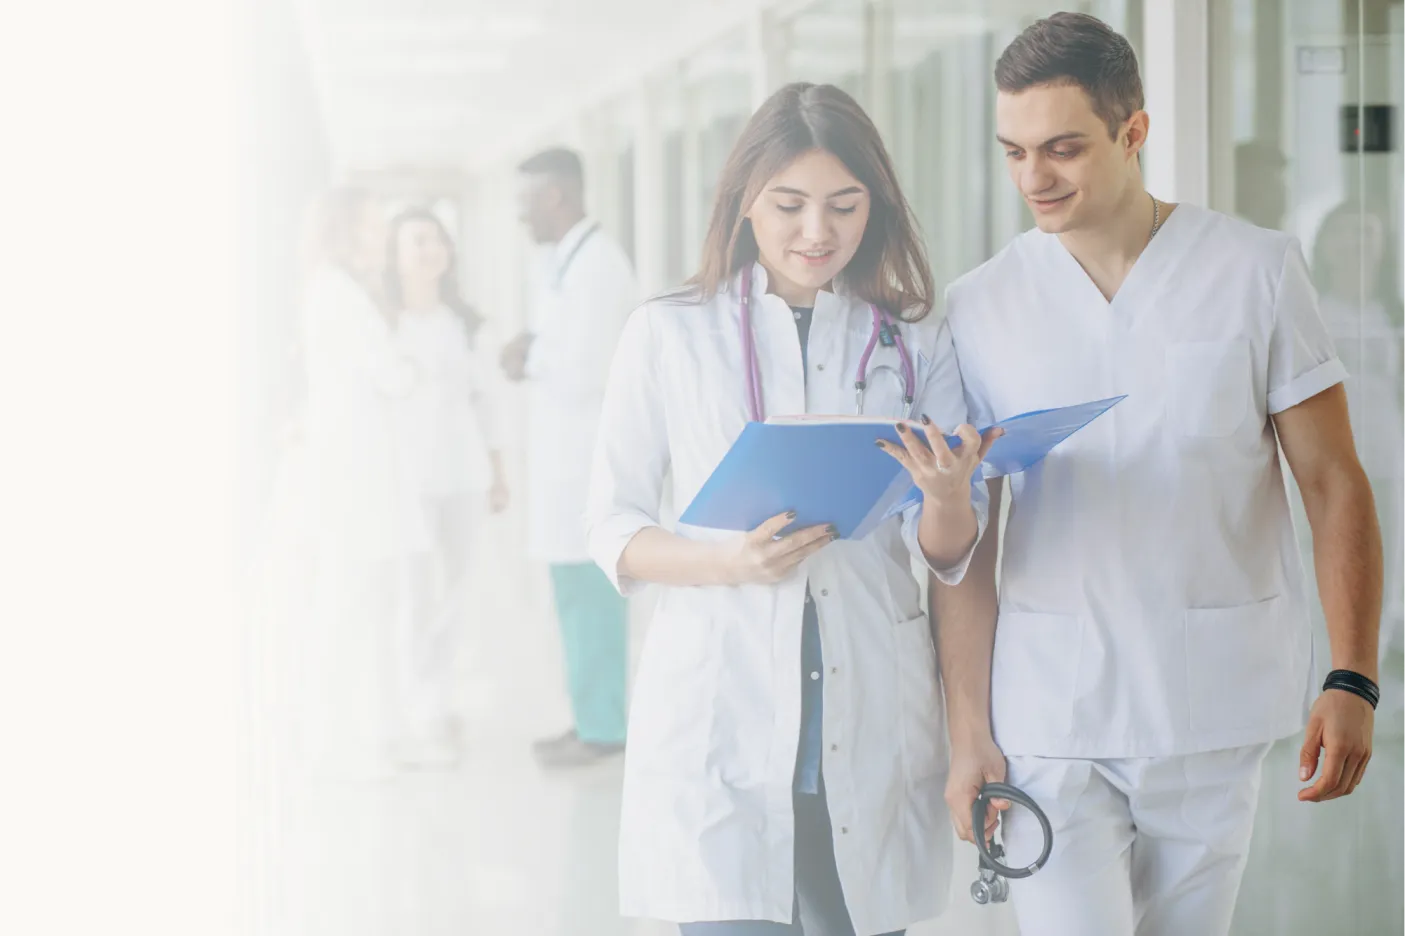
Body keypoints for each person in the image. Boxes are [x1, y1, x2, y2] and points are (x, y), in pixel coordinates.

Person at [933, 14, 1384, 936]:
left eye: (1062, 149)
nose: (1033, 179)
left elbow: (1333, 481)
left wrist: (1352, 675)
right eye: (1013, 151)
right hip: (1049, 706)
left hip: (1206, 697)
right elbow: (963, 546)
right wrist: (966, 729)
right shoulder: (978, 306)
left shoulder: (1254, 271)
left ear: (1133, 132)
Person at [584, 82, 997, 936]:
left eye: (844, 206)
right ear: (743, 201)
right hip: (722, 714)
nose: (818, 232)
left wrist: (948, 496)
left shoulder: (914, 341)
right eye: (790, 204)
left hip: (869, 704)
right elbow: (613, 528)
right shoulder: (666, 334)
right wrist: (729, 563)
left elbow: (950, 553)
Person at [501, 147, 640, 768]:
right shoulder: (565, 263)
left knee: (589, 594)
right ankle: (589, 715)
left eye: (525, 200)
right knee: (572, 594)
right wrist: (532, 348)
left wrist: (525, 357)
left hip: (587, 458)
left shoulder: (597, 267)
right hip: (563, 458)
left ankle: (605, 725)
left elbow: (584, 368)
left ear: (555, 195)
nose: (519, 214)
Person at [297, 185, 426, 779]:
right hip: (357, 470)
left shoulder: (333, 290)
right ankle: (354, 740)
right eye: (373, 228)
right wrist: (413, 365)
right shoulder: (341, 295)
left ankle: (363, 735)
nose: (381, 239)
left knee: (361, 602)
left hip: (355, 465)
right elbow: (392, 375)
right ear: (346, 230)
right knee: (358, 604)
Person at [382, 205, 510, 767]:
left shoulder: (466, 324)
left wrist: (499, 472)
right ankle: (413, 701)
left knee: (457, 588)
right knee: (414, 594)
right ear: (395, 254)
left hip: (462, 475)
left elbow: (488, 402)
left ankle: (439, 696)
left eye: (437, 239)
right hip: (406, 479)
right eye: (417, 240)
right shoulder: (383, 323)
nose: (430, 249)